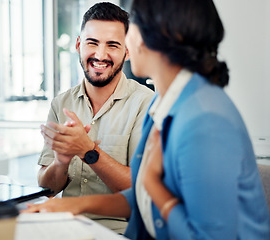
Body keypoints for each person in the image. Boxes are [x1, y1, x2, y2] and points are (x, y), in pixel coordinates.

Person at [26, 0, 270, 239]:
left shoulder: (205, 118)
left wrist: (152, 183)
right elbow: (141, 200)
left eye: (132, 29)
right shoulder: (164, 103)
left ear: (155, 37)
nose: (126, 41)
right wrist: (73, 206)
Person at [37, 2, 153, 233]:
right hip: (65, 228)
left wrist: (87, 150)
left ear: (127, 51)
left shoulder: (146, 103)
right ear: (79, 44)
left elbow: (140, 188)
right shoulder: (62, 103)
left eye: (112, 45)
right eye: (92, 43)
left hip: (119, 232)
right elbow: (47, 188)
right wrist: (61, 161)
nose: (100, 55)